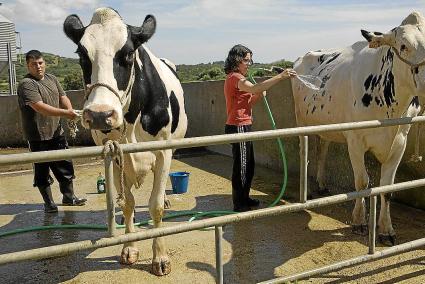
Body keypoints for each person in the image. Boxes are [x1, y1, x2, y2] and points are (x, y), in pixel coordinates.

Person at [223, 44, 297, 212]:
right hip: (237, 126)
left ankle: (245, 198)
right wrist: (280, 77)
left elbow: (247, 102)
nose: (249, 64)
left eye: (250, 60)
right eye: (246, 60)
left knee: (249, 165)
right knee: (241, 166)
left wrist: (258, 95)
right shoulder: (234, 77)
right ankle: (239, 203)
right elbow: (254, 87)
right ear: (237, 61)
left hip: (244, 125)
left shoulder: (239, 79)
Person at [17, 50, 87, 213]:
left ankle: (69, 197)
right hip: (37, 136)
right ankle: (49, 203)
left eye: (40, 63)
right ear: (28, 66)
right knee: (42, 171)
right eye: (34, 64)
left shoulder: (52, 79)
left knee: (65, 166)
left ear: (44, 63)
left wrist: (69, 111)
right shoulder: (27, 84)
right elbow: (40, 107)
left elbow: (63, 97)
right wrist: (66, 114)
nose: (38, 67)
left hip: (57, 132)